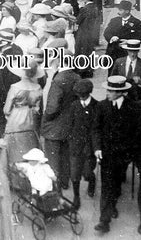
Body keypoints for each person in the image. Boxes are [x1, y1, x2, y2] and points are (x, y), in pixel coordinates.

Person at [93, 76, 141, 234]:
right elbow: (96, 129)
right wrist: (97, 147)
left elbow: (137, 132)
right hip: (107, 154)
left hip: (124, 155)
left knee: (116, 184)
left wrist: (132, 152)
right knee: (107, 186)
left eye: (110, 90)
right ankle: (104, 221)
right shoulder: (102, 106)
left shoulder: (133, 108)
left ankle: (113, 204)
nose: (107, 92)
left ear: (120, 93)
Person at [41, 48, 81, 190]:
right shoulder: (77, 77)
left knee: (53, 158)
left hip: (54, 126)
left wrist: (45, 118)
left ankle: (53, 185)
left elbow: (52, 107)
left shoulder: (58, 80)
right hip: (70, 124)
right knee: (65, 156)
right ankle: (64, 181)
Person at [3, 61, 43, 164]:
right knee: (30, 147)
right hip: (31, 120)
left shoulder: (15, 87)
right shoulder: (37, 87)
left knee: (14, 152)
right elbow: (37, 108)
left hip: (15, 119)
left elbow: (7, 109)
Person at [68, 79, 97, 210]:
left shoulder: (97, 106)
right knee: (75, 173)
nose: (81, 97)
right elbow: (70, 124)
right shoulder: (74, 105)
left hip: (89, 147)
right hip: (76, 145)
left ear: (88, 93)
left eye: (83, 94)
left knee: (87, 171)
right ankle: (76, 196)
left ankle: (92, 181)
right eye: (79, 95)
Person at [104, 0, 141, 65]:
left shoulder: (136, 22)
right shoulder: (114, 21)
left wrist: (128, 41)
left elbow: (139, 36)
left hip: (127, 53)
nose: (118, 12)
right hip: (113, 52)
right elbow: (106, 32)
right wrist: (112, 37)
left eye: (121, 10)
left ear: (127, 11)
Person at [75, 0, 100, 77]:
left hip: (83, 32)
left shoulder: (85, 9)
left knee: (82, 50)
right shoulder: (95, 7)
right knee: (89, 50)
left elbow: (78, 21)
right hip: (90, 32)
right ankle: (89, 70)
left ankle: (82, 70)